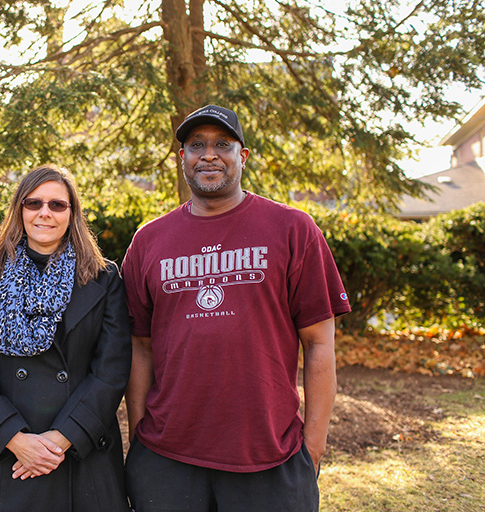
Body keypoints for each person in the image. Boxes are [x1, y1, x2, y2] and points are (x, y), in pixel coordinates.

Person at [121, 105, 351, 512]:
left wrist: (312, 449)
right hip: (166, 458)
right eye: (196, 146)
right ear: (183, 160)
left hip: (270, 459)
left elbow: (319, 343)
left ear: (242, 157)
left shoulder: (294, 229)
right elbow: (140, 346)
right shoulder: (148, 241)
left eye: (222, 144)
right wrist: (140, 437)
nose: (209, 154)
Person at [0, 165, 132, 512]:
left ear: (72, 213)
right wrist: (16, 440)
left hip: (80, 450)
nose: (44, 213)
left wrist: (59, 440)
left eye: (56, 205)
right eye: (33, 203)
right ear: (19, 210)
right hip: (8, 453)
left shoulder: (104, 277)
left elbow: (111, 370)